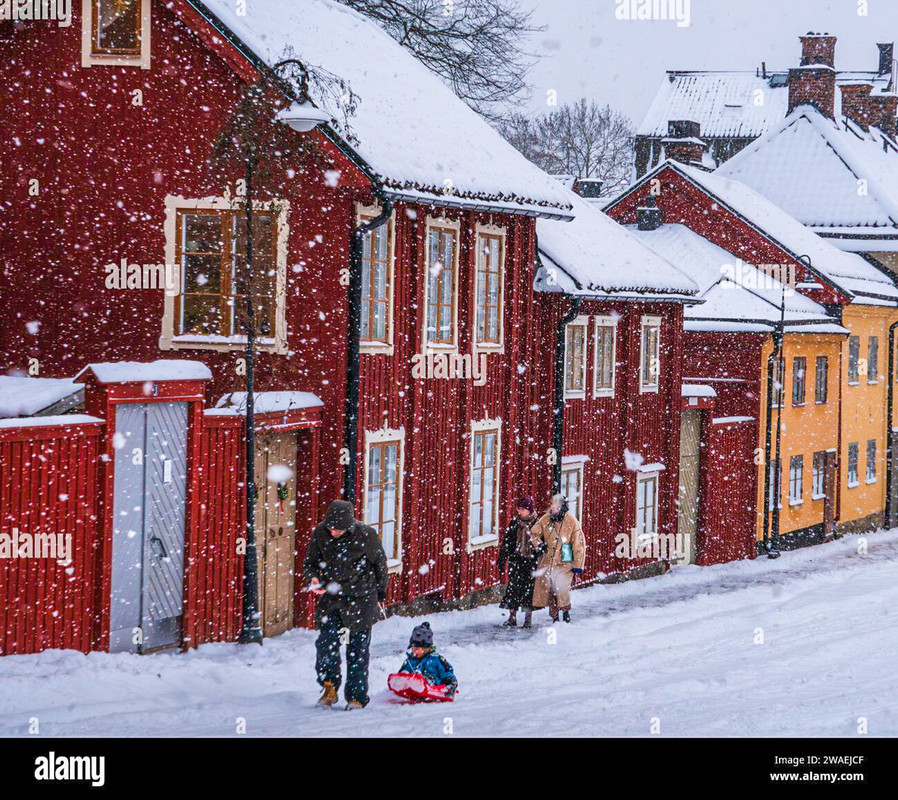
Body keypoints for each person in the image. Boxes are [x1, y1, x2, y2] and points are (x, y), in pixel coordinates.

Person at [303, 499, 389, 710]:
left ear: (348, 526)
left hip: (360, 601)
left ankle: (356, 697)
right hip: (332, 600)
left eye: (338, 530)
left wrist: (381, 593)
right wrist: (313, 578)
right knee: (326, 644)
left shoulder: (366, 536)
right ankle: (329, 687)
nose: (333, 532)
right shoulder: (321, 533)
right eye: (331, 528)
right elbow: (310, 562)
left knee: (357, 651)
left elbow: (380, 564)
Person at [530, 493, 586, 623]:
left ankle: (565, 612)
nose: (552, 509)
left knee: (562, 589)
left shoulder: (572, 522)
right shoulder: (545, 519)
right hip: (548, 561)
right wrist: (539, 545)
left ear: (562, 507)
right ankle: (554, 617)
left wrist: (577, 566)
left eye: (555, 506)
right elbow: (534, 533)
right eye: (552, 506)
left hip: (565, 562)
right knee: (550, 590)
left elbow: (578, 545)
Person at [497, 496, 539, 628]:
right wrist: (502, 559)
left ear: (529, 510)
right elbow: (507, 543)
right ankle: (512, 617)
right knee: (513, 589)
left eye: (522, 509)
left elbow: (542, 544)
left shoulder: (537, 524)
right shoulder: (515, 523)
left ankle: (528, 619)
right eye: (519, 508)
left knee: (528, 592)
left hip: (531, 562)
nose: (519, 511)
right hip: (516, 561)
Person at [397, 622, 457, 697]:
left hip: (432, 689)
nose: (415, 651)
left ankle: (423, 683)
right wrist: (403, 675)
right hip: (412, 692)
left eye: (417, 649)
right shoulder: (409, 661)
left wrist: (449, 682)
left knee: (425, 678)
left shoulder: (435, 659)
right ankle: (414, 686)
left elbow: (447, 672)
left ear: (426, 648)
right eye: (413, 649)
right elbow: (400, 675)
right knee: (408, 675)